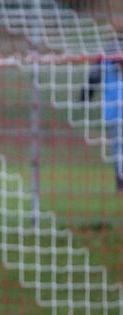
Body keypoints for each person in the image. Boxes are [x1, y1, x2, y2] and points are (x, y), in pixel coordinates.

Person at [79, 15, 123, 194]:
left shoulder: (106, 52)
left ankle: (120, 184)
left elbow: (93, 77)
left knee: (118, 149)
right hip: (114, 110)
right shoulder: (107, 53)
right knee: (118, 149)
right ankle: (120, 183)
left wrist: (84, 95)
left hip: (114, 110)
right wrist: (85, 95)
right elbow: (94, 76)